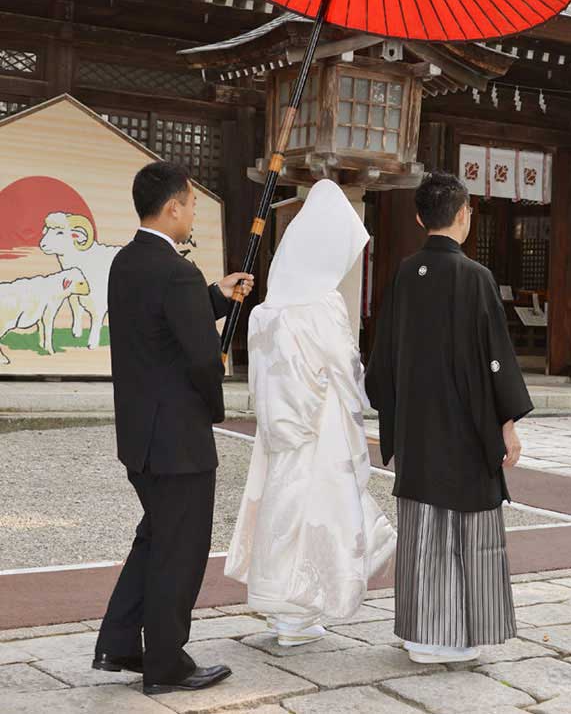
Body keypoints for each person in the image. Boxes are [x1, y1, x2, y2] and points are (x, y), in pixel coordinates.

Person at [92, 161, 253, 696]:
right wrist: (214, 409)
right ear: (172, 207)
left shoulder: (126, 263)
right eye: (191, 203)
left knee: (156, 535)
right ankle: (166, 663)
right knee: (179, 549)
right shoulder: (176, 271)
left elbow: (160, 323)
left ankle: (120, 641)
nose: (193, 213)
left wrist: (214, 295)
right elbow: (202, 359)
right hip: (178, 439)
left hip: (139, 433)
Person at [365, 171, 533, 665]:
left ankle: (421, 636)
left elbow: (383, 363)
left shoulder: (402, 273)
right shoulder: (476, 278)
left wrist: (394, 413)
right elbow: (495, 358)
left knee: (423, 532)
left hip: (418, 429)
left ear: (421, 218)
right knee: (471, 533)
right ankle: (461, 636)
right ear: (463, 216)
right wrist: (507, 422)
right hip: (466, 428)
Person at [226, 179, 396, 646]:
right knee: (321, 512)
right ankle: (298, 609)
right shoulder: (323, 305)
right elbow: (345, 367)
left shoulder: (270, 306)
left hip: (279, 429)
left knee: (282, 509)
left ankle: (283, 609)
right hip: (319, 426)